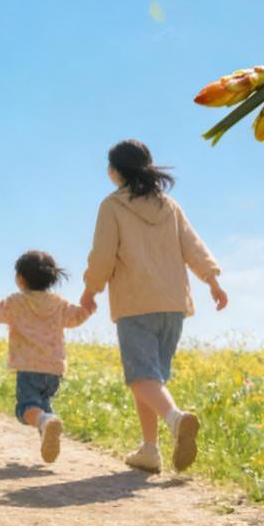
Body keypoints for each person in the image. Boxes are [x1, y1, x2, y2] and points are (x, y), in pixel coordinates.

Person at [80, 139, 228, 474]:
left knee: (141, 376)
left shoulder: (112, 205)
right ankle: (149, 450)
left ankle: (176, 420)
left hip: (135, 303)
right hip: (174, 304)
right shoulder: (169, 206)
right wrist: (213, 281)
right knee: (151, 379)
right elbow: (194, 246)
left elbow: (103, 254)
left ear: (115, 171)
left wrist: (91, 289)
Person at [0, 250, 92, 463]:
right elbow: (76, 317)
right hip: (54, 369)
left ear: (20, 279)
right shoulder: (59, 303)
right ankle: (47, 427)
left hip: (28, 367)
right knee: (43, 404)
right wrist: (87, 309)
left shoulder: (17, 301)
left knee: (26, 408)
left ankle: (47, 422)